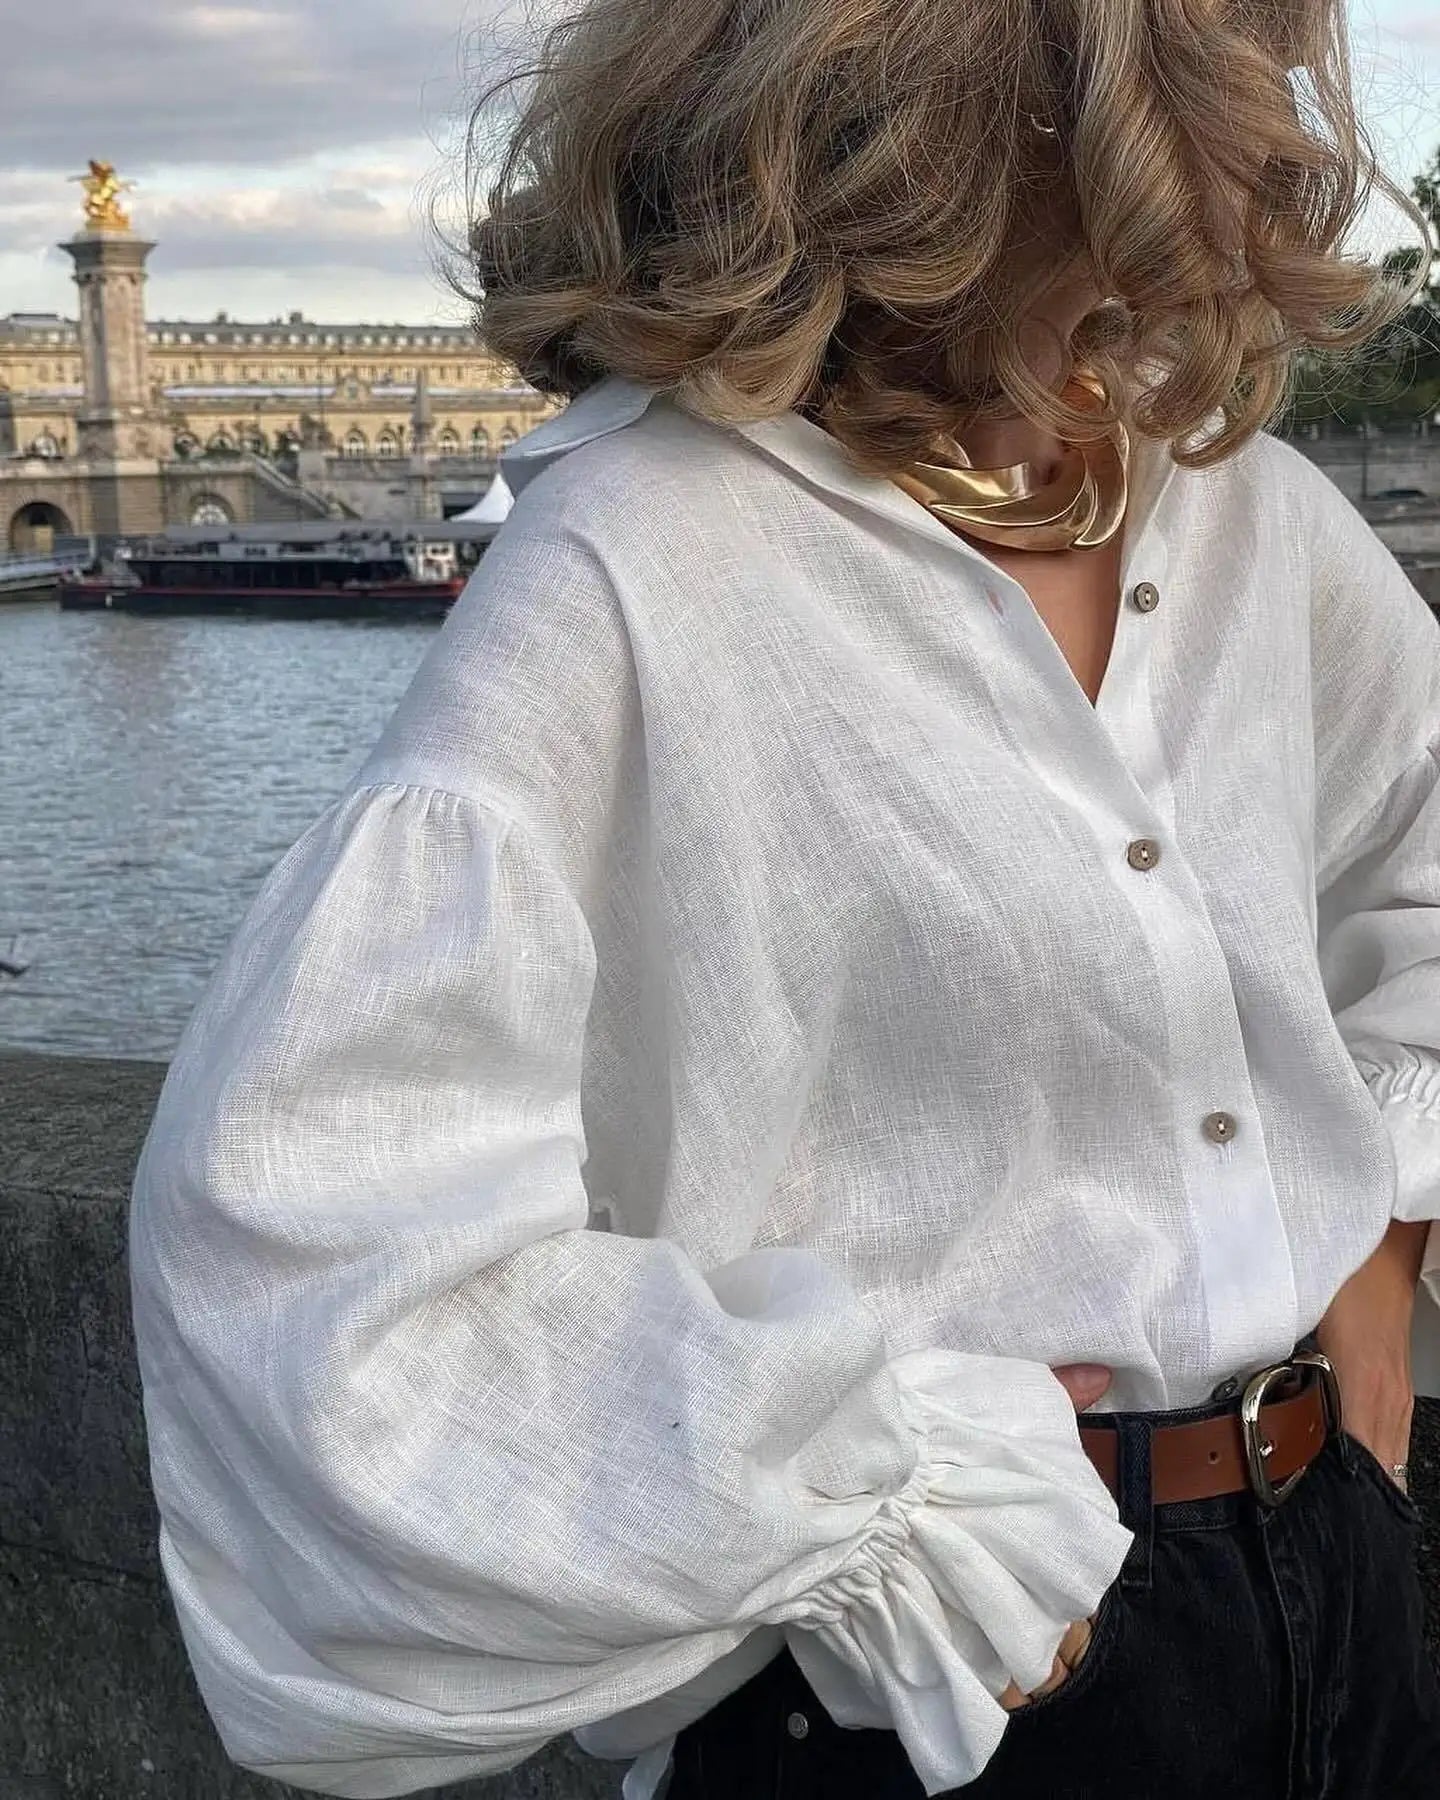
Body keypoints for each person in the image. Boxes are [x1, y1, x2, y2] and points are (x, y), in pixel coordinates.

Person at [127, 0, 1440, 1795]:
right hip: (931, 1686)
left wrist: (1380, 1227)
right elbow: (312, 1276)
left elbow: (1424, 836)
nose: (1271, 124)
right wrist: (889, 1489)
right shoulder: (635, 567)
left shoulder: (1241, 512)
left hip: (1343, 1582)